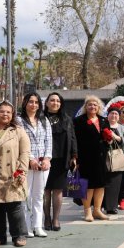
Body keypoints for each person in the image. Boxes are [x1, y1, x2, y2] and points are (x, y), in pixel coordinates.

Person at [0, 101, 30, 247]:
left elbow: (25, 153)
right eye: (2, 111)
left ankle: (19, 235)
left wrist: (21, 172)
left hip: (12, 173)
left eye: (9, 112)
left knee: (14, 206)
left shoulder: (18, 131)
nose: (5, 114)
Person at [17, 93, 53, 238]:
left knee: (39, 195)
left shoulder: (44, 120)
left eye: (36, 102)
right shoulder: (18, 120)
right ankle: (26, 226)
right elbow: (20, 141)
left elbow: (48, 141)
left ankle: (38, 225)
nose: (33, 105)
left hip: (43, 164)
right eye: (30, 102)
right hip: (27, 163)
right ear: (25, 103)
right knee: (27, 195)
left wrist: (47, 159)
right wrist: (31, 159)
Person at [74, 96, 112, 222]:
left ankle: (97, 210)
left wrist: (108, 139)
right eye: (90, 104)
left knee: (100, 184)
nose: (93, 107)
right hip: (86, 157)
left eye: (95, 105)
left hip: (101, 157)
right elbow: (76, 140)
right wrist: (75, 157)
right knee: (88, 185)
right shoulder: (79, 121)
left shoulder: (103, 120)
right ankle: (87, 211)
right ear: (85, 107)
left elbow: (108, 137)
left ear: (99, 107)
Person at [43, 93, 77, 231]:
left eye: (58, 101)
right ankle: (46, 218)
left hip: (62, 159)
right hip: (44, 159)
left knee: (58, 190)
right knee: (45, 191)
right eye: (52, 100)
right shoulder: (40, 118)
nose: (55, 103)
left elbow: (73, 137)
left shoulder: (67, 119)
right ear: (46, 103)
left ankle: (56, 219)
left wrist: (74, 156)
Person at [104, 108, 124, 213]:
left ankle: (112, 206)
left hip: (118, 157)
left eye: (116, 114)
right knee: (106, 182)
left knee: (116, 182)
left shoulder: (122, 128)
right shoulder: (104, 126)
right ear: (108, 115)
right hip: (105, 157)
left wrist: (117, 137)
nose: (114, 116)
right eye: (112, 113)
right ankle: (103, 204)